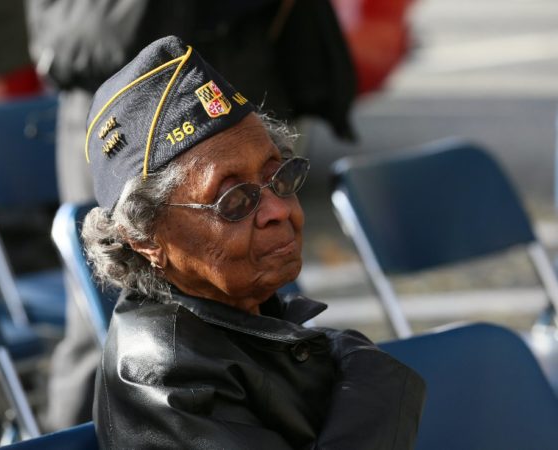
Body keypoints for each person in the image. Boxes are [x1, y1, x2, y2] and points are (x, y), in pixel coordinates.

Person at [82, 35, 425, 449]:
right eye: (234, 200)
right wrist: (372, 385)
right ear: (145, 238)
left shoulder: (239, 312)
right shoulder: (164, 376)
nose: (278, 210)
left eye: (278, 177)